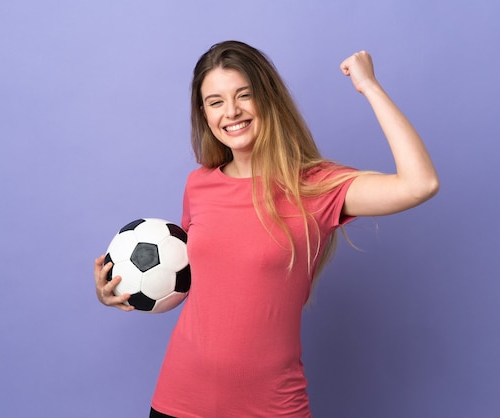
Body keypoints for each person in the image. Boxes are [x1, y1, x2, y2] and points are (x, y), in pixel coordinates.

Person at [94, 40, 439, 417]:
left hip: (271, 407)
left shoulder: (315, 186)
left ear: (268, 98)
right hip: (180, 400)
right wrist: (120, 289)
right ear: (204, 113)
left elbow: (419, 184)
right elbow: (197, 281)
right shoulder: (199, 184)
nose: (232, 111)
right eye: (216, 101)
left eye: (244, 95)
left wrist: (369, 86)